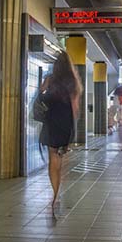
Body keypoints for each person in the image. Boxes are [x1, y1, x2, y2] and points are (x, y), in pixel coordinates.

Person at [39, 52, 83, 209]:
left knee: (53, 158)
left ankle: (55, 194)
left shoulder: (50, 80)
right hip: (65, 125)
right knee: (59, 158)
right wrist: (72, 129)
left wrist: (43, 88)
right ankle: (57, 193)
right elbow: (75, 109)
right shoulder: (73, 83)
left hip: (51, 123)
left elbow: (40, 97)